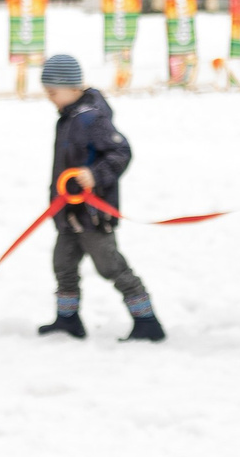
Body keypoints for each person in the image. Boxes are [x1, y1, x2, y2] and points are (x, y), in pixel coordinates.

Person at [36, 53, 164, 341]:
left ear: (72, 87)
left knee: (110, 266)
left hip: (93, 216)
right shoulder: (69, 117)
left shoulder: (91, 118)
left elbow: (121, 152)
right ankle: (67, 319)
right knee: (63, 264)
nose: (49, 98)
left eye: (53, 92)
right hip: (69, 212)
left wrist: (95, 174)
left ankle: (146, 320)